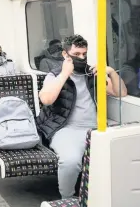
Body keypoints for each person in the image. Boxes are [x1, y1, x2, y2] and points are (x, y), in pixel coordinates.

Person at [37, 34, 127, 199]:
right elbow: (47, 99)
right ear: (65, 55)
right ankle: (68, 198)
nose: (82, 58)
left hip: (95, 128)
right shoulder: (54, 75)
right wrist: (65, 74)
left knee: (123, 155)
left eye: (84, 54)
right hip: (66, 129)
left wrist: (111, 72)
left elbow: (121, 93)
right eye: (77, 54)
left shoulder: (92, 74)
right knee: (70, 162)